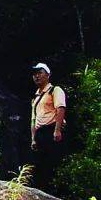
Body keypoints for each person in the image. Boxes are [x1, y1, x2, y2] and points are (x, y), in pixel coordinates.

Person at [27, 62, 66, 190]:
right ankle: (40, 190)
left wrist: (57, 130)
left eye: (40, 73)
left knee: (50, 163)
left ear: (48, 75)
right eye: (35, 74)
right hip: (40, 133)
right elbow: (34, 118)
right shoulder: (36, 95)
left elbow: (60, 108)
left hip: (51, 129)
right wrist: (33, 138)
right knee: (37, 164)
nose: (36, 76)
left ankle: (51, 191)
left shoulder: (55, 90)